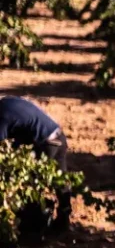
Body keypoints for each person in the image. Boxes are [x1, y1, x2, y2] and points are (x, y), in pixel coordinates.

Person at [0, 96, 71, 230]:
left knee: (28, 184)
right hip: (58, 136)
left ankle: (34, 226)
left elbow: (1, 152)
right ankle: (63, 218)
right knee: (61, 182)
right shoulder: (6, 103)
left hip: (46, 144)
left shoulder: (1, 117)